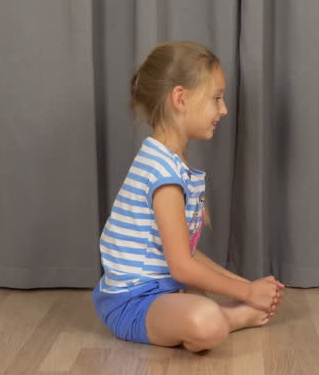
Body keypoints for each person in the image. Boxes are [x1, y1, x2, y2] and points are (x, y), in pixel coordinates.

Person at [92, 41, 284, 352]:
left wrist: (246, 287)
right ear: (180, 98)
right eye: (216, 98)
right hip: (131, 303)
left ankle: (217, 312)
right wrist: (248, 295)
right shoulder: (163, 175)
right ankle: (230, 319)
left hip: (162, 290)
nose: (223, 110)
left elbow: (188, 253)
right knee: (207, 322)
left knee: (203, 301)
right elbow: (182, 267)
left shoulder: (171, 162)